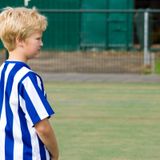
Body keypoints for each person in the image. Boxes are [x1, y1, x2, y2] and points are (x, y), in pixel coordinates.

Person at [0, 7, 59, 160]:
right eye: (38, 38)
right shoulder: (27, 78)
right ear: (20, 40)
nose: (41, 43)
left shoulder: (2, 72)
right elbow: (42, 127)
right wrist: (55, 153)